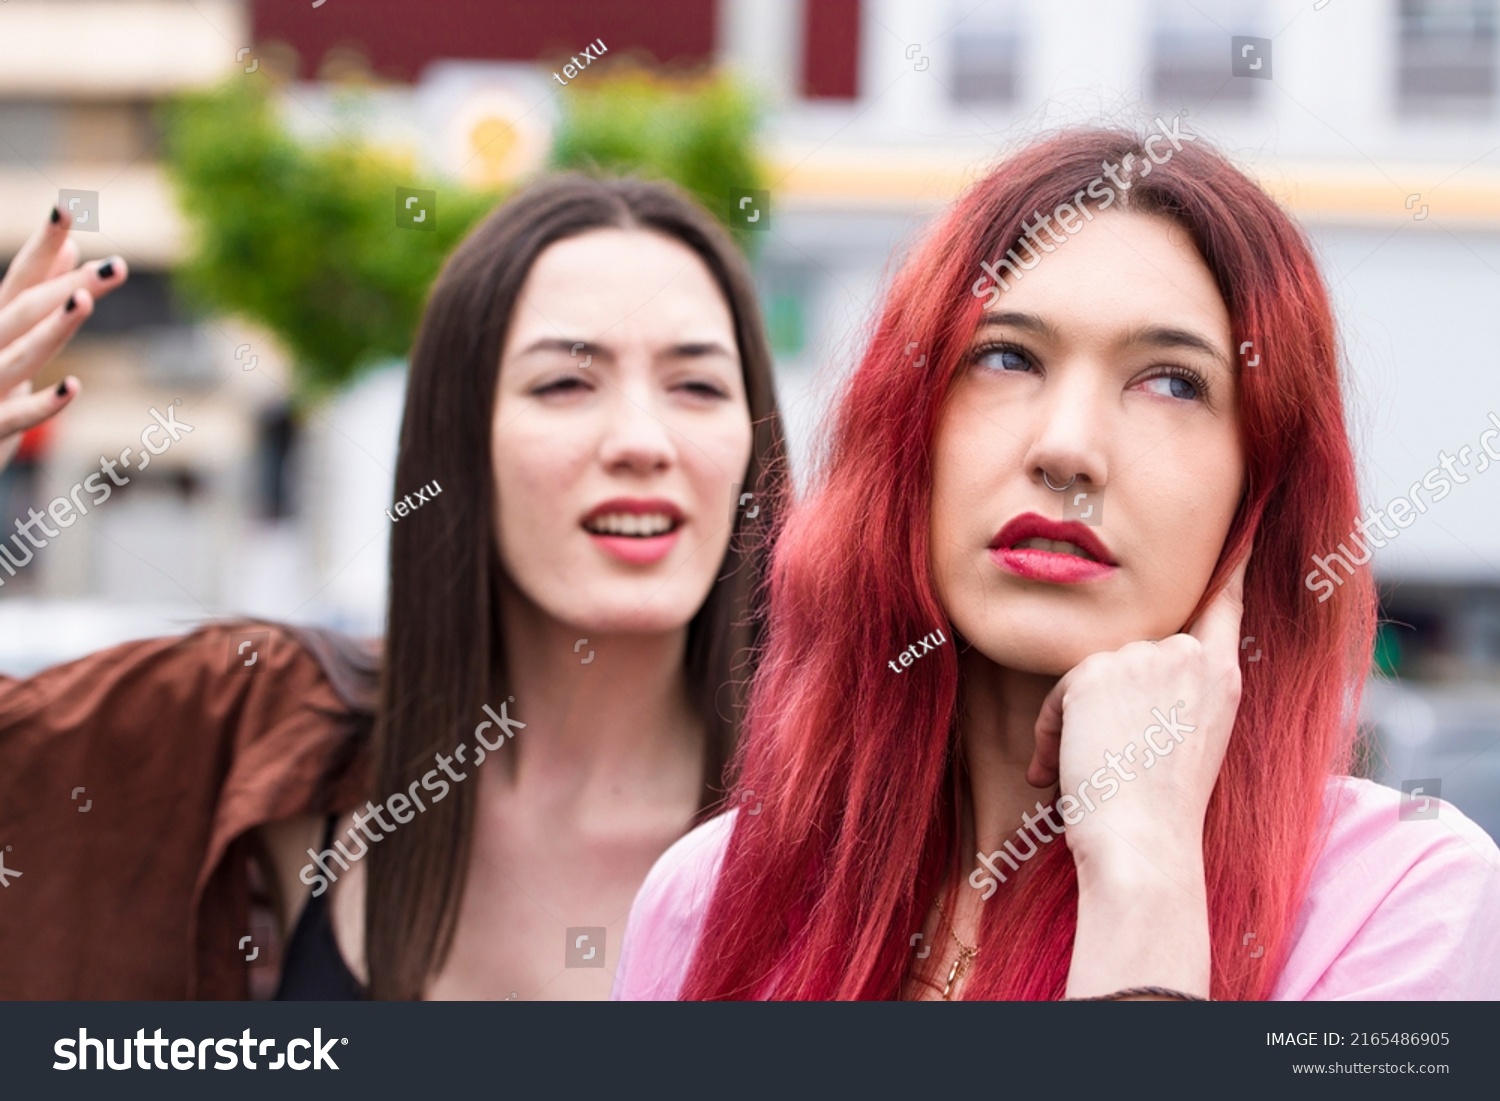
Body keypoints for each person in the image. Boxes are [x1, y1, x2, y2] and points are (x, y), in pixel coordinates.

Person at [612, 126, 1500, 1001]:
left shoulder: (1405, 901)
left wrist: (1143, 874)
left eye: (1172, 381)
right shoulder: (707, 898)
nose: (1068, 448)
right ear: (906, 434)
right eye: (1005, 356)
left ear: (1261, 492)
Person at [0, 173, 788, 1000]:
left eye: (696, 385)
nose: (640, 440)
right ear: (458, 442)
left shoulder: (858, 811)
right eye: (565, 383)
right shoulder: (266, 729)